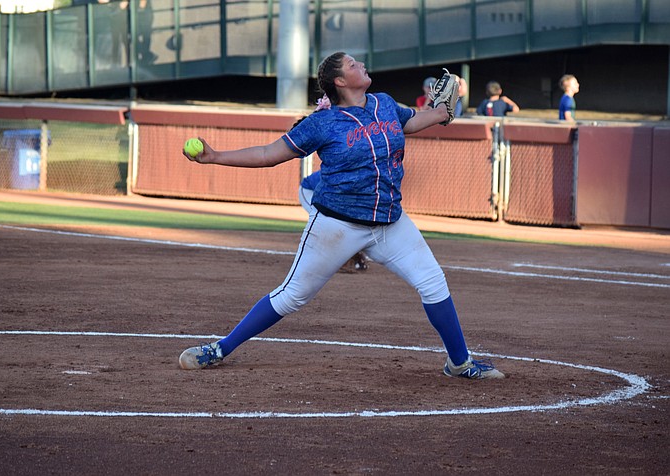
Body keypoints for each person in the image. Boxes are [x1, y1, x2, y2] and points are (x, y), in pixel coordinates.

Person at [179, 51, 504, 380]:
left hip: (390, 222)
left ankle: (459, 363)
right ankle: (220, 349)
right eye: (352, 65)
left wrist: (442, 110)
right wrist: (215, 157)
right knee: (293, 295)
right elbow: (267, 154)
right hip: (337, 224)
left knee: (433, 283)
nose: (360, 65)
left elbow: (413, 122)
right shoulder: (322, 123)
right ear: (340, 81)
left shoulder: (384, 103)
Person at [300, 170, 369, 272]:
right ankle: (333, 261)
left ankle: (351, 254)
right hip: (309, 191)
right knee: (330, 222)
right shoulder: (343, 177)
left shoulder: (360, 177)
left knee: (346, 222)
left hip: (327, 195)